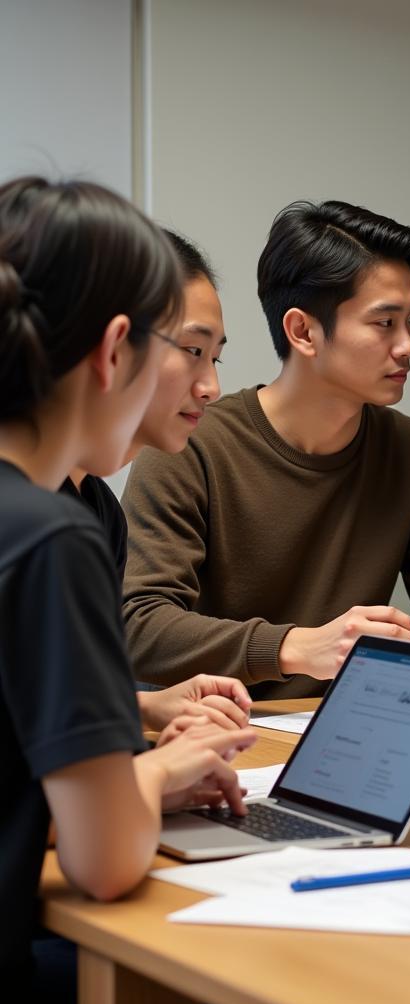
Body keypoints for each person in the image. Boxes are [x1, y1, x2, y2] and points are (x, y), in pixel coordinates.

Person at [0, 175, 256, 1004]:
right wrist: (160, 771)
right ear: (116, 350)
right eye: (179, 351)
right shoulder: (49, 536)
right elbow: (105, 861)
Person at [121, 200, 410, 698]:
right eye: (384, 323)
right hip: (224, 735)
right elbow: (139, 624)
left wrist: (397, 660)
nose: (408, 345)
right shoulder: (189, 445)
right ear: (303, 331)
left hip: (349, 733)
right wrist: (296, 648)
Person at [62, 229, 249, 738]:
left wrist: (141, 709)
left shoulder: (96, 507)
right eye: (192, 350)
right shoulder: (36, 521)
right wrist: (157, 776)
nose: (211, 388)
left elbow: (47, 703)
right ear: (113, 344)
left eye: (215, 358)